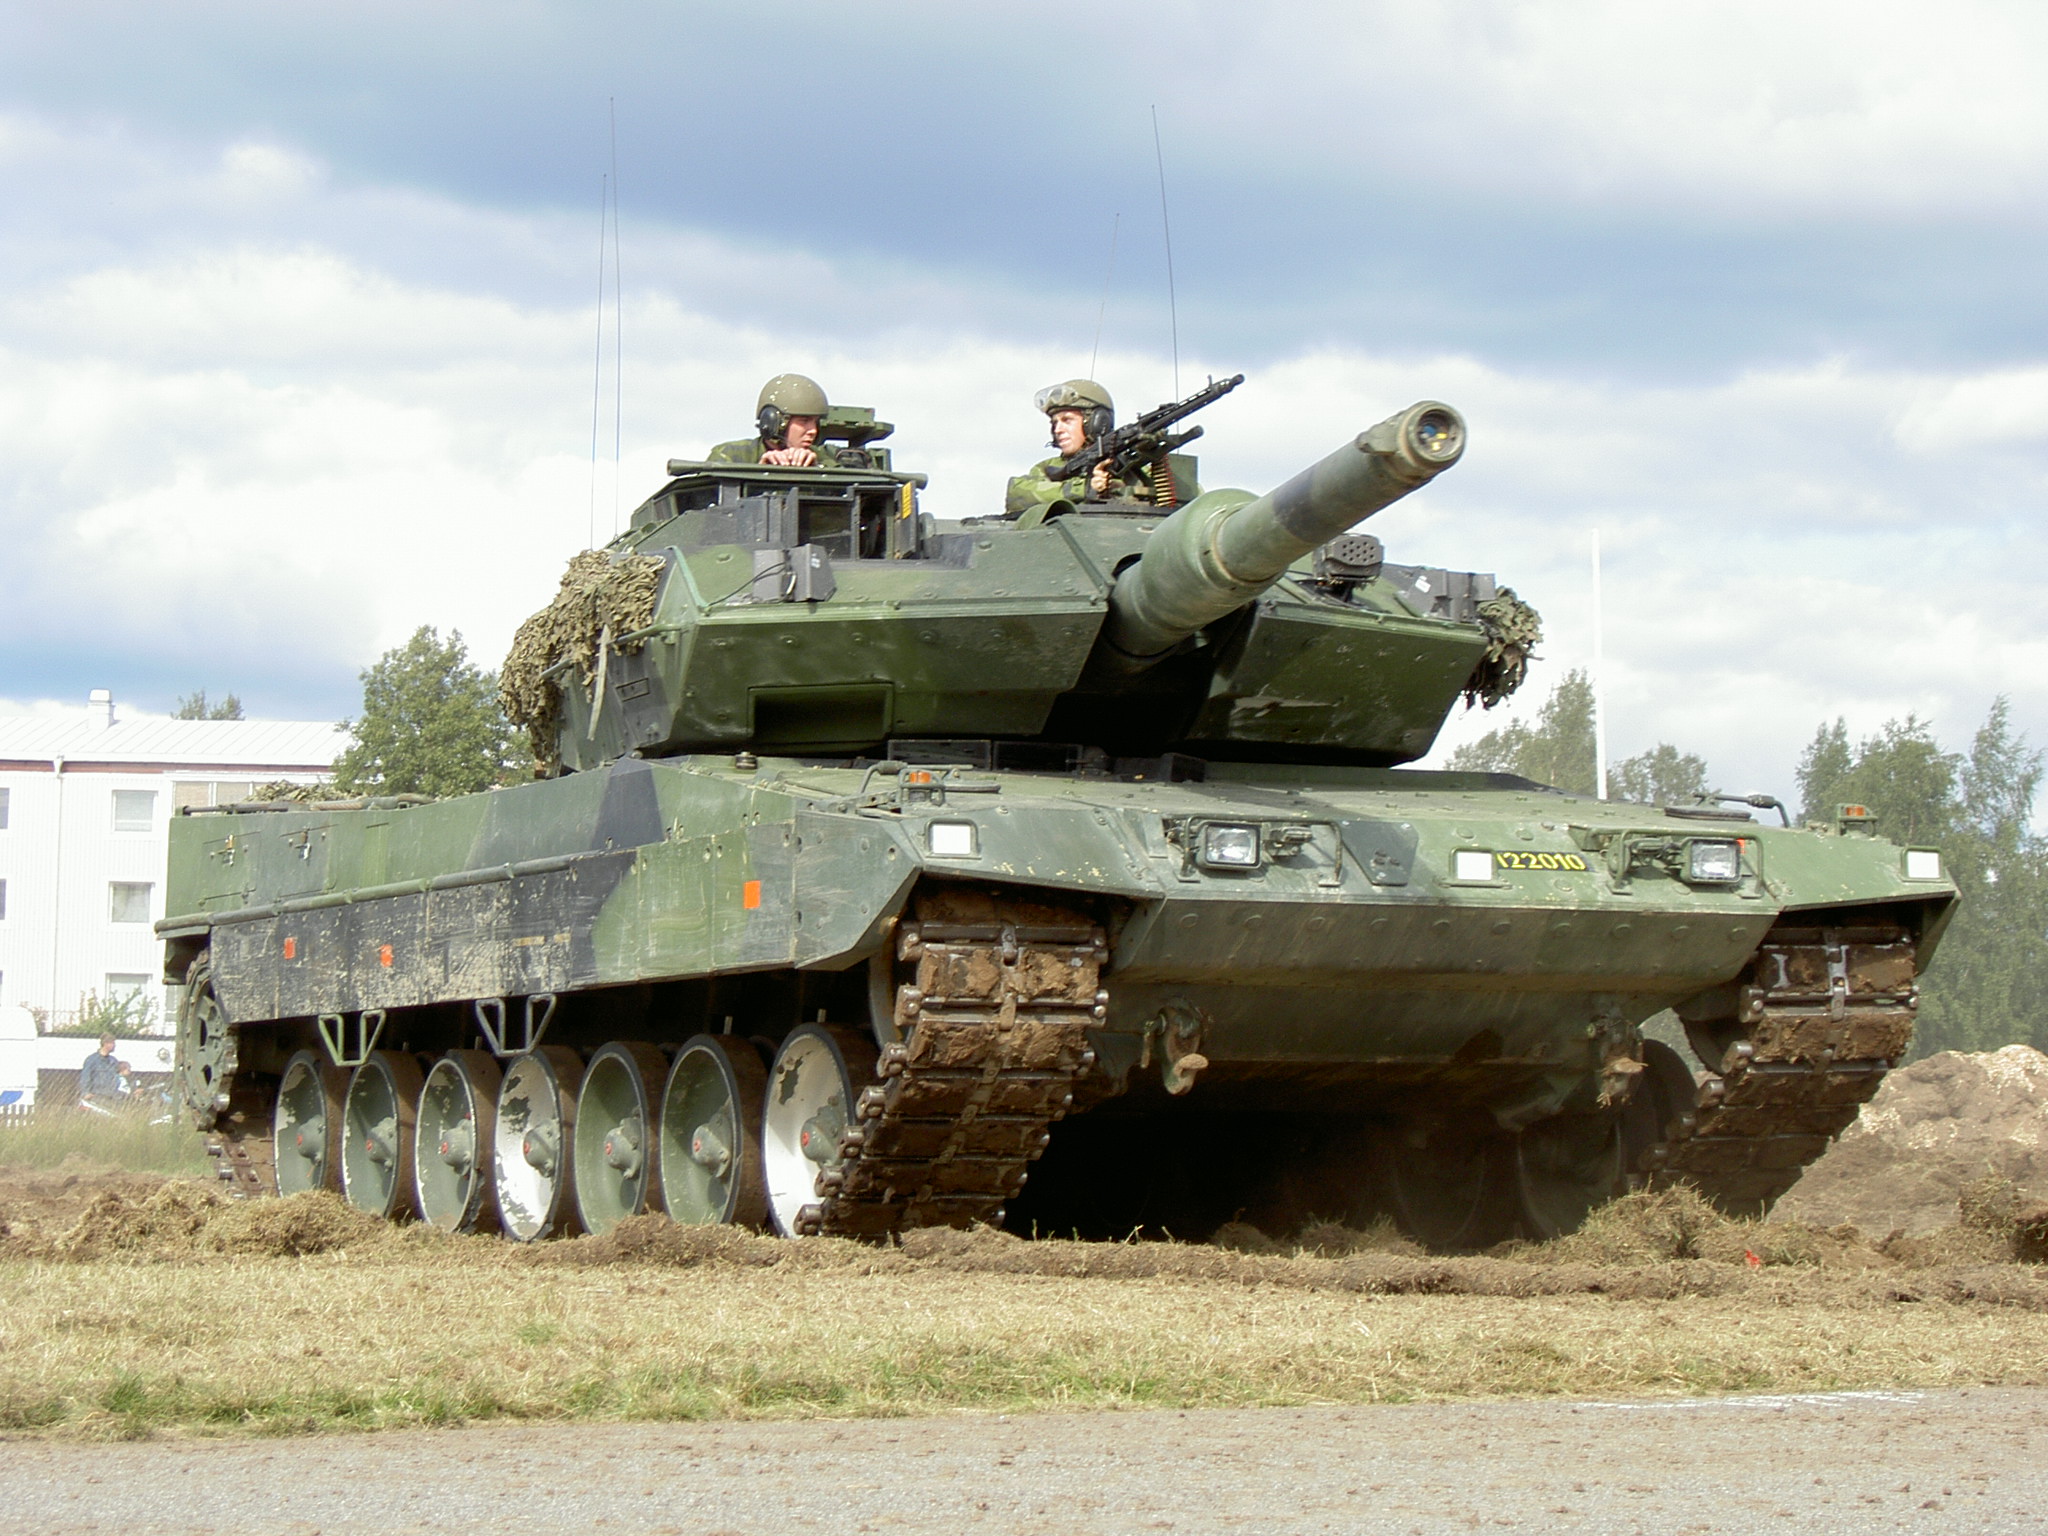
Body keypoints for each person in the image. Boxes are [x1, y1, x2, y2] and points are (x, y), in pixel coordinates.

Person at [1004, 378, 1201, 517]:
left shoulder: (1142, 469)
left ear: (1097, 423)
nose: (1058, 429)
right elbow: (1017, 494)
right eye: (1054, 423)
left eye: (1067, 420)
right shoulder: (1047, 469)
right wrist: (1084, 488)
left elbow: (1194, 503)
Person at [707, 374, 841, 467]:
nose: (813, 430)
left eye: (815, 422)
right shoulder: (731, 456)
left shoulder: (825, 457)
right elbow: (706, 497)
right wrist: (758, 475)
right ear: (774, 422)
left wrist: (816, 471)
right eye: (804, 421)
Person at [78, 1034, 122, 1104]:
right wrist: (86, 1092)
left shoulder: (113, 1061)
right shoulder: (92, 1060)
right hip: (97, 1095)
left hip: (113, 1096)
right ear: (106, 1044)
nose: (115, 1046)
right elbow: (85, 1077)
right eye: (113, 1043)